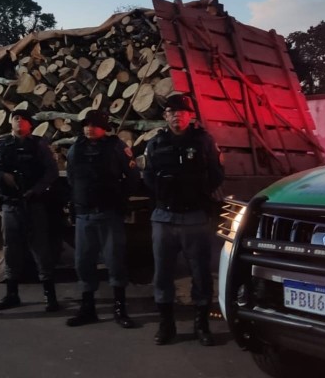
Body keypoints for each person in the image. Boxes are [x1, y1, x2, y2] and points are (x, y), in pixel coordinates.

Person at [143, 95, 224, 346]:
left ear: (190, 116)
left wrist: (196, 193)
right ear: (165, 117)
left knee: (200, 272)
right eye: (171, 112)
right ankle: (166, 325)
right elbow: (147, 176)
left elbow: (217, 173)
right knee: (163, 273)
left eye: (182, 111)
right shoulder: (155, 143)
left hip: (194, 217)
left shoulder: (204, 141)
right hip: (164, 217)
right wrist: (164, 192)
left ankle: (202, 324)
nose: (176, 115)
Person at [65, 110, 139, 328]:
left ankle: (120, 309)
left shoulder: (116, 147)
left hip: (109, 213)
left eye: (94, 124)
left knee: (115, 261)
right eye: (86, 124)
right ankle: (87, 308)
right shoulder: (75, 148)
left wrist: (119, 196)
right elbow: (71, 177)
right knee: (83, 262)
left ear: (104, 127)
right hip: (84, 214)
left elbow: (133, 176)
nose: (89, 128)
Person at [0, 109, 60, 312]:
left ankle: (49, 295)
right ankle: (12, 294)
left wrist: (36, 190)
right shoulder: (1, 145)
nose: (18, 122)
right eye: (15, 118)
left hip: (34, 203)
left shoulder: (39, 145)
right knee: (11, 248)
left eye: (23, 119)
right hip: (10, 204)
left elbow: (51, 171)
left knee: (41, 249)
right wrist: (3, 176)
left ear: (30, 124)